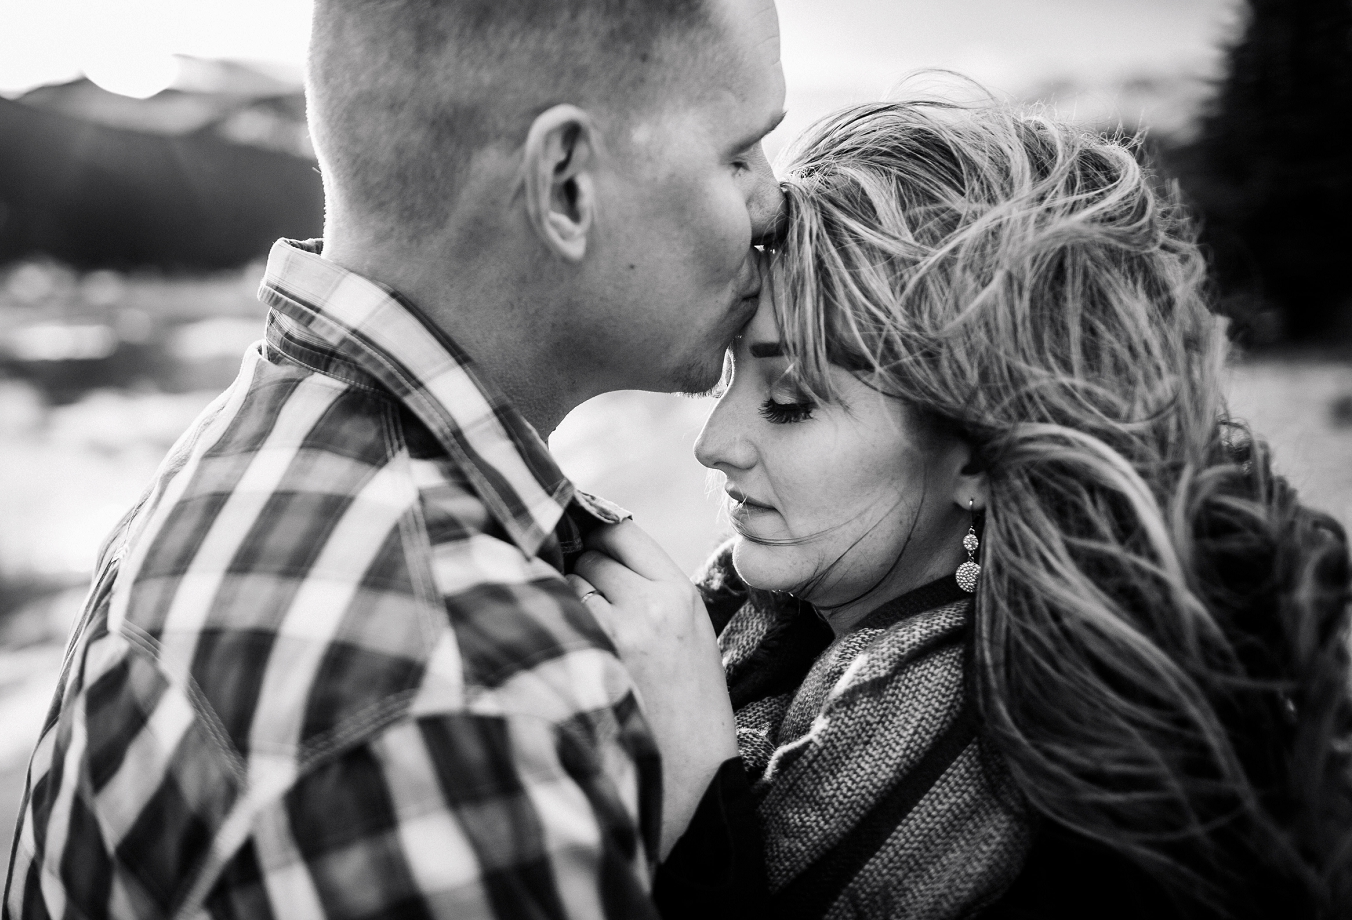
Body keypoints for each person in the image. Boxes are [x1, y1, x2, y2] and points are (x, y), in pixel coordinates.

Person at [3, 0, 788, 916]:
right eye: (740, 152)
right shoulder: (465, 706)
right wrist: (706, 824)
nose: (772, 203)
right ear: (565, 183)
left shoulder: (252, 449)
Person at [572, 96, 1352, 918]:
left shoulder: (1104, 832)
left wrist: (695, 805)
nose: (713, 441)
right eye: (732, 373)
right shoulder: (737, 642)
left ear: (978, 451)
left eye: (791, 398)